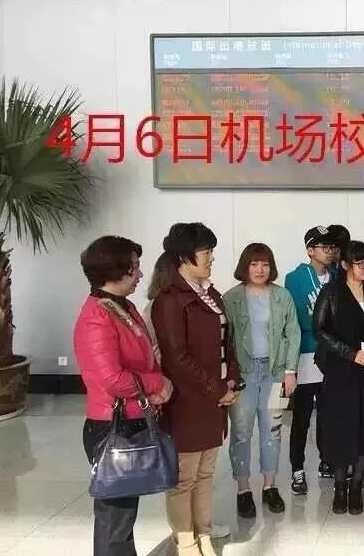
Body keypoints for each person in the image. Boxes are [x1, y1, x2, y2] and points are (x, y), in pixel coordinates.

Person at [74, 235, 173, 556]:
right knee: (114, 519)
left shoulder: (122, 307)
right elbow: (112, 379)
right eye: (134, 268)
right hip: (111, 426)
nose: (140, 274)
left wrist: (153, 386)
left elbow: (142, 358)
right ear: (115, 270)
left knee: (124, 515)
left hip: (132, 419)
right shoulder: (97, 316)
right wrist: (157, 384)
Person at [150, 223, 242, 556]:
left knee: (205, 474)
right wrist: (216, 388)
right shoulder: (169, 300)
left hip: (214, 399)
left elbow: (226, 343)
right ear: (183, 256)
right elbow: (177, 358)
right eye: (206, 252)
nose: (212, 258)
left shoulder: (209, 293)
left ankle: (203, 534)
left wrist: (232, 378)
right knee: (184, 479)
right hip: (188, 402)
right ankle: (186, 542)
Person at [312, 240, 364, 515]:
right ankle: (340, 486)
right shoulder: (331, 292)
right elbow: (320, 330)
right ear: (345, 265)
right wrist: (350, 353)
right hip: (341, 371)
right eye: (360, 263)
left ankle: (357, 485)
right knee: (342, 429)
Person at [223, 243, 301, 518]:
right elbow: (224, 340)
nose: (260, 269)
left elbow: (293, 332)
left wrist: (290, 371)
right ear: (245, 267)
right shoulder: (231, 298)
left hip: (275, 372)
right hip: (243, 375)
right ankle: (243, 490)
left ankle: (270, 486)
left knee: (273, 430)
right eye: (254, 264)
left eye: (265, 264)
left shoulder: (282, 296)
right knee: (241, 432)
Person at [284, 226, 338, 489]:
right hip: (306, 353)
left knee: (328, 413)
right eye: (323, 247)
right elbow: (297, 318)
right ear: (309, 250)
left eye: (331, 247)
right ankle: (297, 468)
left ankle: (327, 460)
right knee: (302, 416)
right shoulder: (295, 278)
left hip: (333, 355)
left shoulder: (337, 276)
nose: (329, 251)